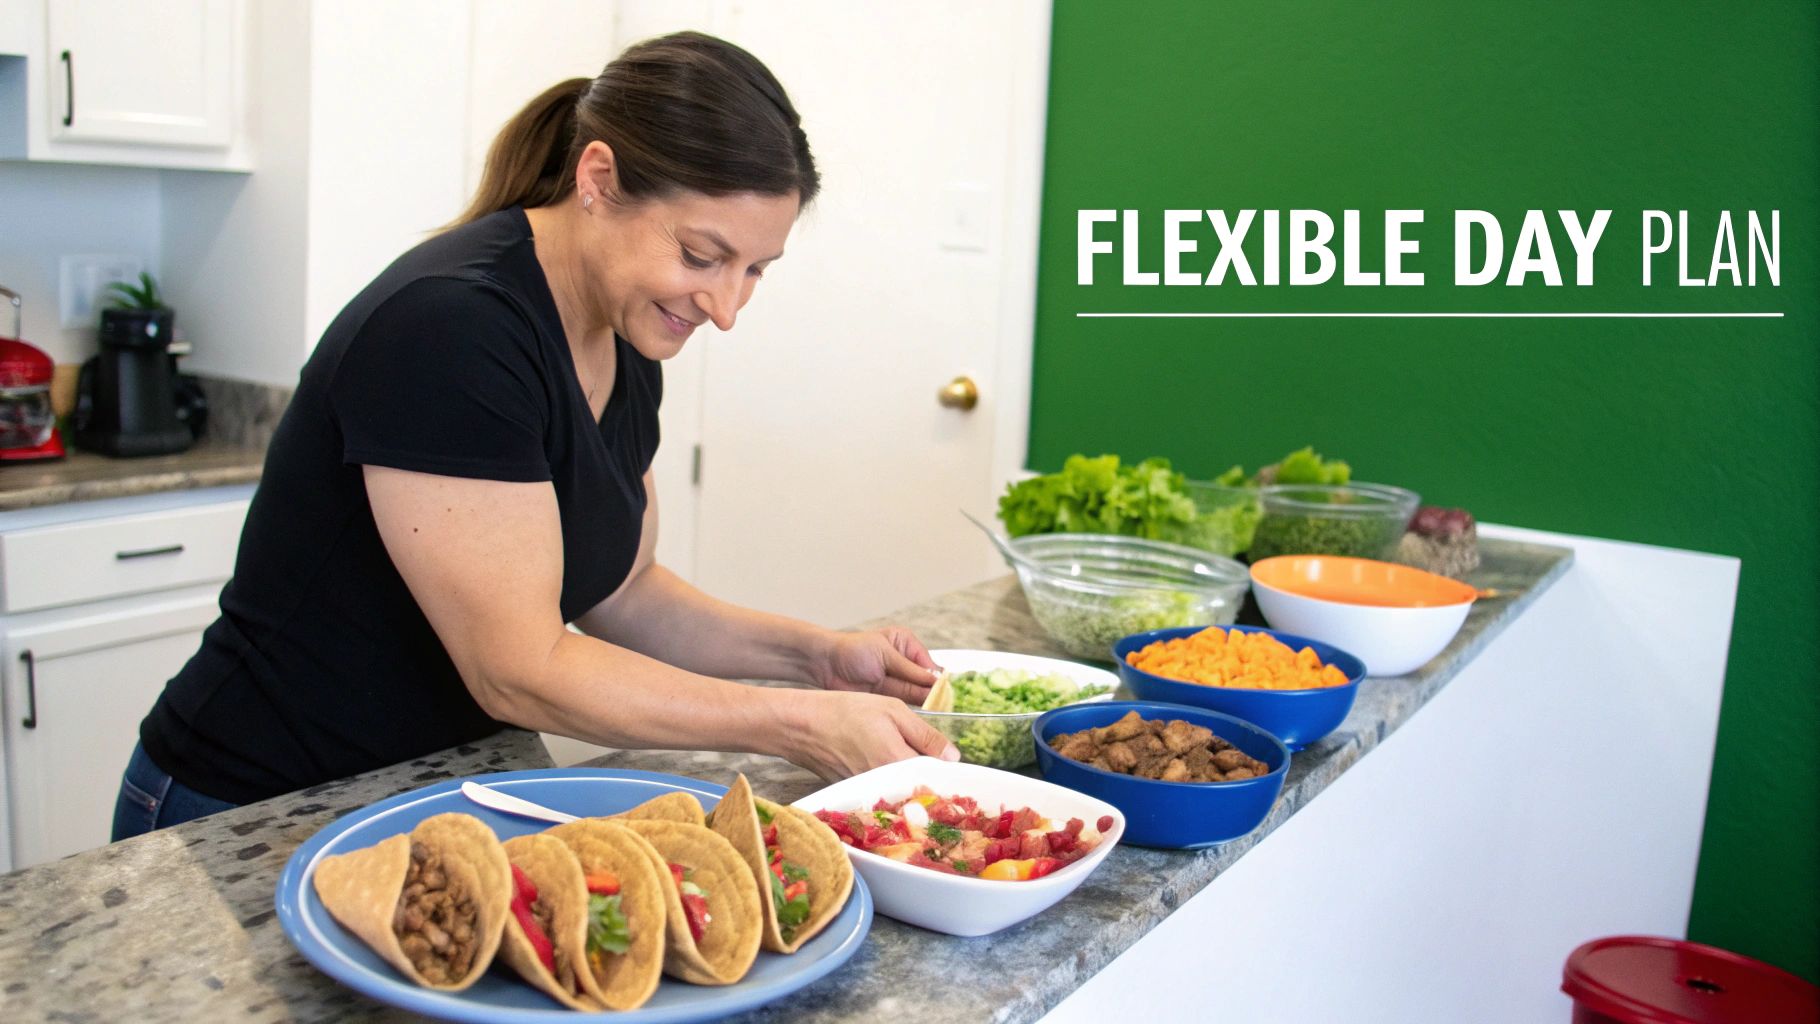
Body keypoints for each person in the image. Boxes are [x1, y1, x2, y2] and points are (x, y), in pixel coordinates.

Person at [112, 31, 958, 841]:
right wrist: (802, 724)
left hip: (432, 789)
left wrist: (818, 660)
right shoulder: (454, 329)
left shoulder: (626, 341)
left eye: (754, 271)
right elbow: (519, 665)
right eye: (703, 255)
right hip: (253, 803)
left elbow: (623, 591)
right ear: (598, 178)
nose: (727, 308)